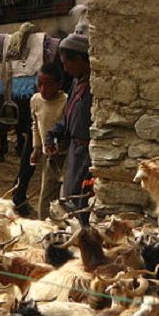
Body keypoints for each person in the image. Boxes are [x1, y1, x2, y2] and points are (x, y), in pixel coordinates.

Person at [44, 27, 93, 213]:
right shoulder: (75, 83)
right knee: (71, 197)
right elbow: (67, 118)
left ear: (80, 60)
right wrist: (52, 136)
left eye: (67, 64)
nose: (65, 69)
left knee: (81, 200)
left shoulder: (93, 88)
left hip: (87, 155)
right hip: (74, 152)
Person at [29, 62, 68, 218]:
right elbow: (35, 124)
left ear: (59, 84)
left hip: (65, 155)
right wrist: (36, 147)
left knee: (64, 195)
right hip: (48, 155)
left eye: (49, 84)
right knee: (46, 195)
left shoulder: (66, 101)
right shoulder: (35, 100)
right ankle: (43, 225)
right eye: (40, 84)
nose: (44, 89)